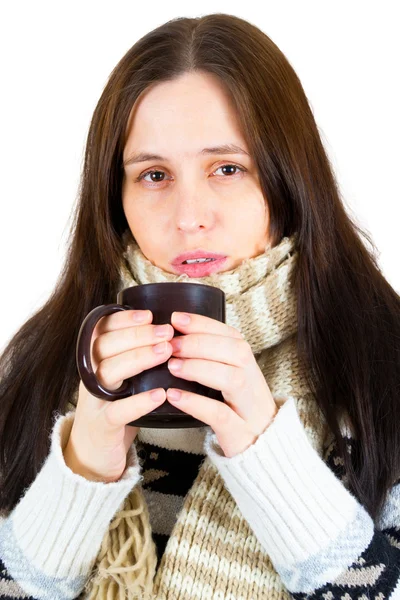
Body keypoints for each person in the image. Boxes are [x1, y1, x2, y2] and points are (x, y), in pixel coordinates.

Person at [0, 12, 399, 600]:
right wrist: (81, 470)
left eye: (228, 168)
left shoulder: (382, 362)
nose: (190, 216)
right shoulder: (42, 362)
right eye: (154, 174)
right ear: (116, 198)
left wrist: (269, 459)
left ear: (290, 180)